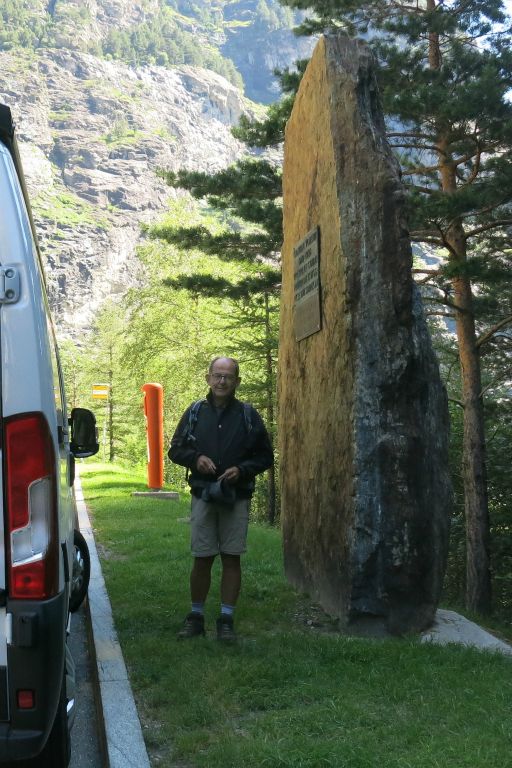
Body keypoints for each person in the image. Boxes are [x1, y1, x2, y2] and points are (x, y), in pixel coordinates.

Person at [168, 356, 273, 642]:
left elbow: (265, 456)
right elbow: (175, 450)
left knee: (231, 558)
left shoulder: (248, 416)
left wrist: (242, 470)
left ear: (237, 381)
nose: (222, 381)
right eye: (217, 375)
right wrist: (195, 458)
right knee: (201, 558)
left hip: (236, 497)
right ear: (208, 378)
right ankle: (196, 617)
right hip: (203, 494)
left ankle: (226, 619)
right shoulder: (195, 412)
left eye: (228, 377)